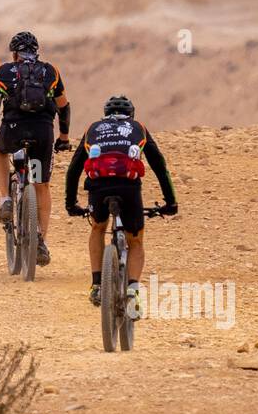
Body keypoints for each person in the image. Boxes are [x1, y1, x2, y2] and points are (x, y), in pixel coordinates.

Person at [63, 96, 177, 312]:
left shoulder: (93, 128)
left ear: (105, 114)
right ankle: (133, 289)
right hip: (128, 188)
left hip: (99, 188)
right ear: (131, 114)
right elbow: (160, 166)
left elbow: (74, 169)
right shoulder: (138, 128)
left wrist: (71, 204)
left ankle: (97, 284)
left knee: (98, 228)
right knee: (135, 241)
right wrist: (171, 203)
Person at [0, 31, 72, 266]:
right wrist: (64, 137)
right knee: (41, 185)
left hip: (13, 129)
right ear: (36, 52)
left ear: (14, 54)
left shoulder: (3, 71)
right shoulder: (50, 72)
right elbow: (64, 107)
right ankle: (41, 242)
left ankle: (6, 198)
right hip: (43, 132)